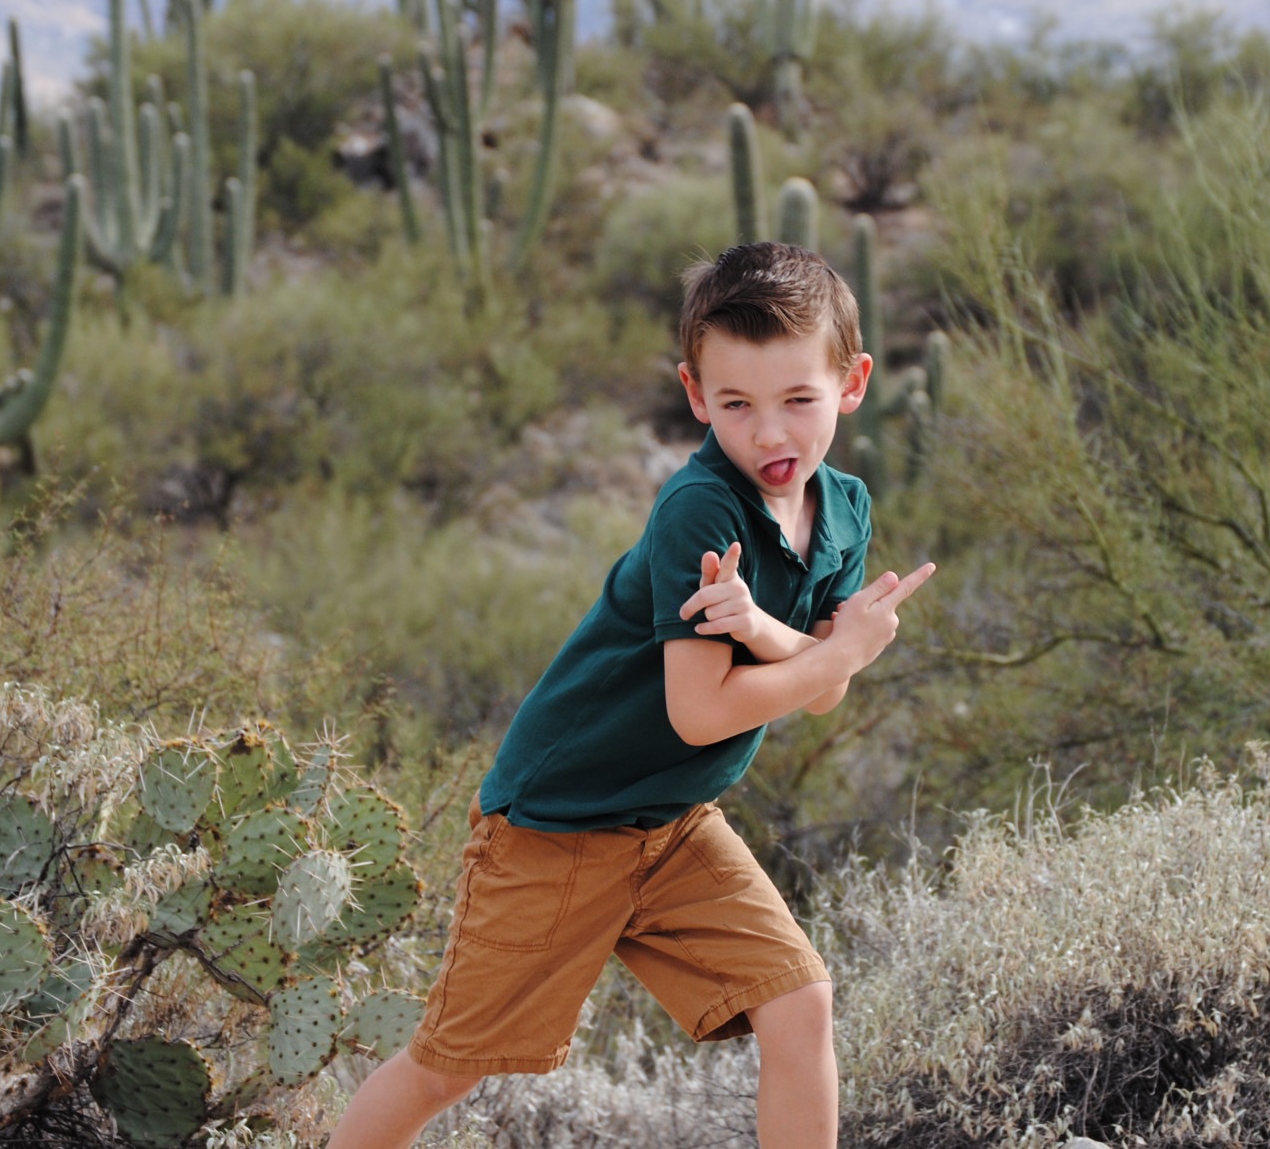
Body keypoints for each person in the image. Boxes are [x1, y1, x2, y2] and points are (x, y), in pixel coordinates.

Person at [327, 241, 937, 1149]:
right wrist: (834, 651)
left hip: (671, 822)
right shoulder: (701, 508)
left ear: (852, 384)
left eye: (798, 400)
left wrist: (778, 633)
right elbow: (703, 710)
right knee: (451, 1064)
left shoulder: (843, 507)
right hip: (560, 824)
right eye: (737, 404)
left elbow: (819, 694)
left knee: (800, 1001)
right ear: (696, 394)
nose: (771, 434)